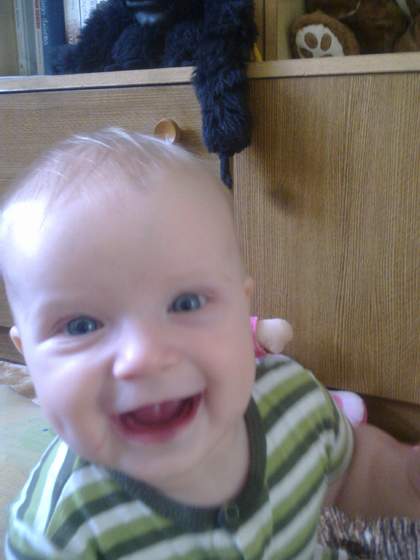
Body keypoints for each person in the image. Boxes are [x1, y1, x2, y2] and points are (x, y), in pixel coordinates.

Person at [1, 128, 419, 559]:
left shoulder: (293, 401)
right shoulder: (57, 533)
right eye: (80, 326)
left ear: (243, 309)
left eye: (186, 303)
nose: (143, 357)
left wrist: (406, 475)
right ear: (26, 354)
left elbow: (353, 473)